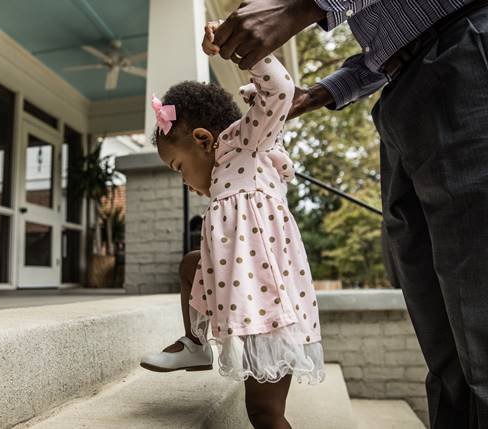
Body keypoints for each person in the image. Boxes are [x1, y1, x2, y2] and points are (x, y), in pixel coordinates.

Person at [209, 1, 488, 428]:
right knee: (446, 347)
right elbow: (389, 38)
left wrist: (300, 7)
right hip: (403, 88)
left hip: (465, 53)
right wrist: (322, 92)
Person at [140, 21, 324, 429]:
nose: (184, 180)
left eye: (178, 168)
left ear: (204, 141)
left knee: (264, 413)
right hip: (242, 289)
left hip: (272, 308)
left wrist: (236, 47)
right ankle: (197, 344)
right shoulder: (223, 174)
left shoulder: (247, 142)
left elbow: (278, 90)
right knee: (191, 265)